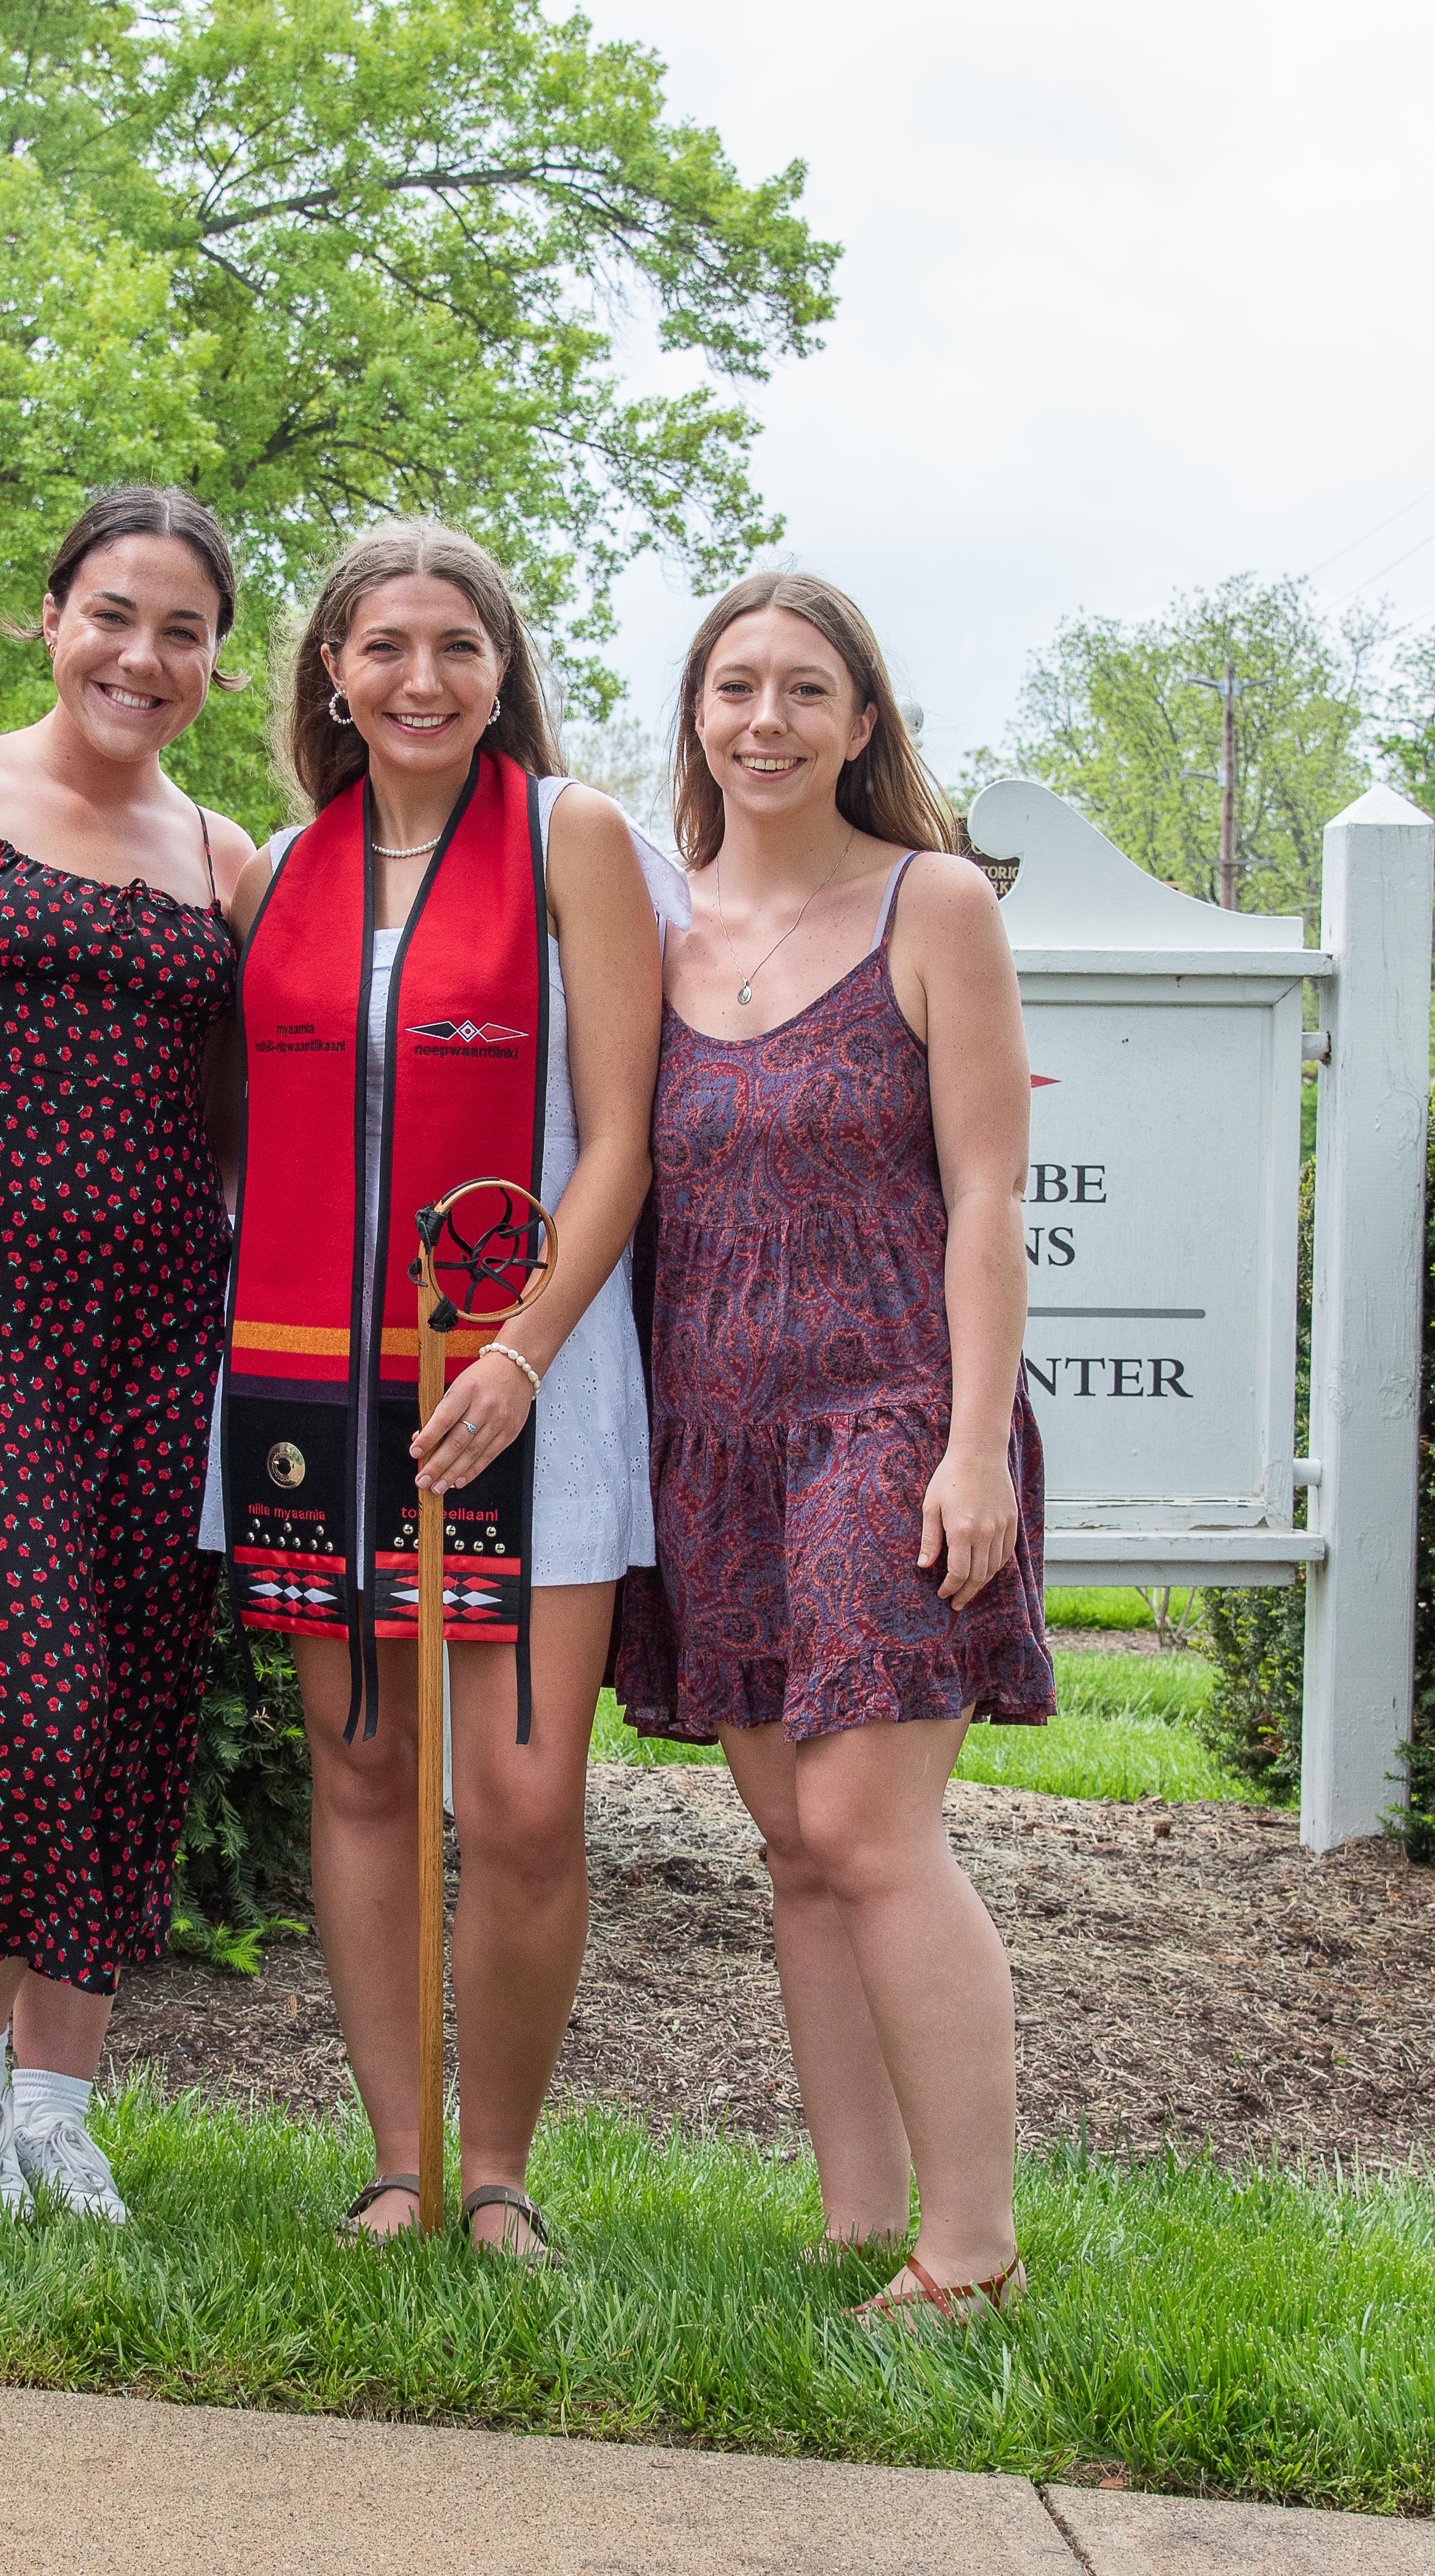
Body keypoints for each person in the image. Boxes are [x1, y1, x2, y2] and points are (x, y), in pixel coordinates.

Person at [201, 521, 663, 2260]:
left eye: (455, 646)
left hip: (529, 1376)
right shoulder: (275, 875)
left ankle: (502, 2180)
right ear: (329, 671)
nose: (418, 678)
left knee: (528, 1802)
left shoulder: (570, 840)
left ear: (501, 671)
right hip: (314, 1377)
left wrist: (523, 1350)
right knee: (363, 1772)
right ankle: (396, 2162)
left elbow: (620, 1138)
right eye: (382, 646)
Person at [614, 569, 1054, 2323]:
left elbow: (986, 1189)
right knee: (790, 1842)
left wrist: (971, 1448)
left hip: (889, 1413)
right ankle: (858, 2219)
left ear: (862, 723)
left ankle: (976, 2252)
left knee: (870, 1829)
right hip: (707, 1430)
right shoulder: (645, 928)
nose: (766, 721)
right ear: (696, 719)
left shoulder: (930, 905)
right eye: (736, 688)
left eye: (807, 690)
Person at [0, 488, 260, 2227]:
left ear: (217, 665)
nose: (139, 656)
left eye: (180, 631)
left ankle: (57, 2106)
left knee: (133, 1713)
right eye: (111, 614)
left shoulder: (230, 859)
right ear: (46, 618)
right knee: (25, 1699)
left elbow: (252, 1125)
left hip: (169, 1330)